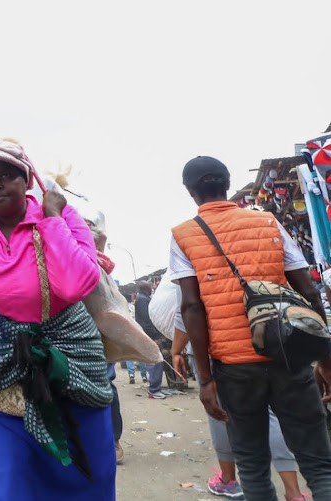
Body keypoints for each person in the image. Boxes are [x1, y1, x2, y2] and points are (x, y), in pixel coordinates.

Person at [0, 139, 114, 499]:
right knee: (13, 477)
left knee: (87, 473)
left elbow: (78, 282)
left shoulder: (63, 218)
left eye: (6, 175)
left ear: (28, 180)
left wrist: (52, 220)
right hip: (4, 361)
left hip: (71, 355)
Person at [173, 155, 331, 500]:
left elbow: (191, 307)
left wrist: (206, 379)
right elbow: (308, 291)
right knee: (320, 465)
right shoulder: (269, 223)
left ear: (190, 191)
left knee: (252, 467)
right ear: (227, 184)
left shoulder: (183, 236)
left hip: (234, 367)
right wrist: (325, 361)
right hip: (288, 354)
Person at [171, 287, 305, 501]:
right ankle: (294, 492)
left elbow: (188, 309)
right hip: (262, 338)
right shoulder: (259, 252)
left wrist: (176, 349)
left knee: (220, 412)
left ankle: (228, 481)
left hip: (216, 349)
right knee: (270, 414)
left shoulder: (190, 257)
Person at [134, 281, 167, 399]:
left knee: (156, 362)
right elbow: (146, 320)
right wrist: (154, 337)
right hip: (151, 335)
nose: (151, 286)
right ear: (145, 287)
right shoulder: (143, 299)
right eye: (148, 285)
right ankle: (153, 390)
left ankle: (155, 388)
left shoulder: (143, 298)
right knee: (155, 362)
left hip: (150, 334)